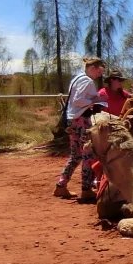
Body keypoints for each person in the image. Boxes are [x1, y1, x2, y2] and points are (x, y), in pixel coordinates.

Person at [54, 56, 108, 202]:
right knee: (87, 154)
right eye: (99, 71)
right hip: (81, 120)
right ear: (93, 68)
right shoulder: (87, 80)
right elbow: (78, 100)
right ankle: (86, 189)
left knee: (76, 155)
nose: (99, 75)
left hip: (73, 120)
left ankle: (61, 185)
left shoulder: (77, 78)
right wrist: (95, 100)